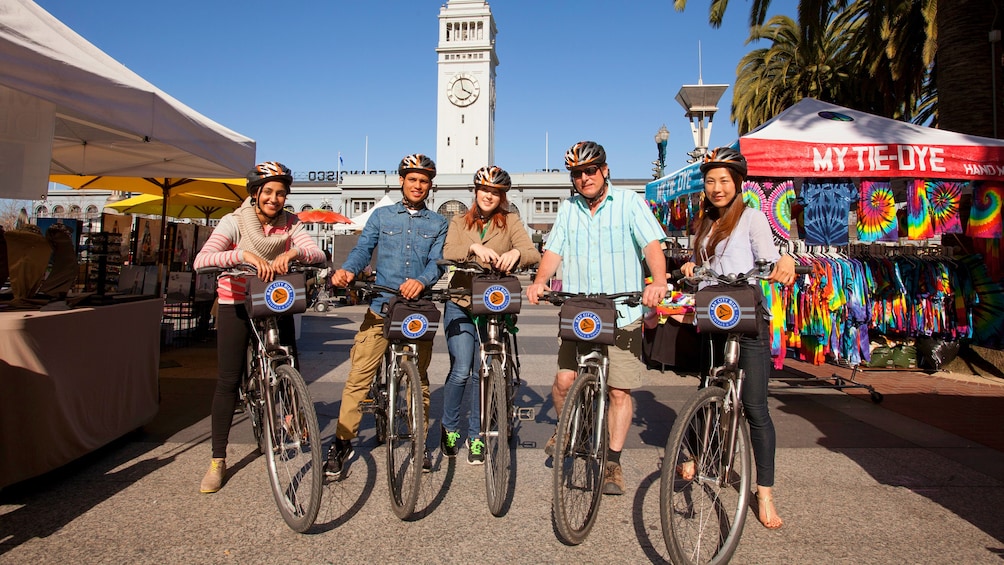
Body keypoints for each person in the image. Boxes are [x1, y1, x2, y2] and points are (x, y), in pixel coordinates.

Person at [526, 141, 668, 496]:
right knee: (563, 380)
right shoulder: (569, 210)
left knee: (619, 390)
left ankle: (612, 462)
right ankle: (572, 426)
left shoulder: (630, 202)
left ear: (605, 171)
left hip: (623, 311)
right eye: (578, 173)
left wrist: (660, 282)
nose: (585, 178)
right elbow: (554, 250)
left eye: (591, 170)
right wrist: (541, 281)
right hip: (579, 310)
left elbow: (652, 246)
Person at [678, 146, 796, 529]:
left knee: (756, 409)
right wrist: (691, 265)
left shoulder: (752, 218)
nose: (716, 188)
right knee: (706, 389)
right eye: (710, 181)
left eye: (724, 181)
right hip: (713, 315)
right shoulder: (704, 224)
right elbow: (702, 266)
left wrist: (785, 262)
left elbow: (772, 255)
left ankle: (764, 493)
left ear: (738, 184)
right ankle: (696, 452)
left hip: (747, 318)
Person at [193, 161, 325, 494]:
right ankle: (217, 460)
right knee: (227, 378)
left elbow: (317, 254)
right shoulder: (234, 221)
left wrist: (293, 251)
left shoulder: (291, 223)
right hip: (236, 301)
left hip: (274, 298)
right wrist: (244, 257)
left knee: (288, 357)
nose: (274, 199)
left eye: (281, 193)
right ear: (255, 194)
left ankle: (293, 416)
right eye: (268, 192)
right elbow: (201, 260)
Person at [325, 154, 449, 479]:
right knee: (358, 378)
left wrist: (421, 281)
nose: (418, 185)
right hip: (381, 306)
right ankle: (341, 441)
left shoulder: (438, 223)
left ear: (430, 186)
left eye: (424, 181)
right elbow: (362, 249)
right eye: (412, 179)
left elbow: (438, 262)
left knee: (418, 379)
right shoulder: (381, 216)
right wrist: (348, 272)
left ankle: (419, 442)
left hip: (414, 310)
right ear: (402, 182)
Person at [440, 166, 541, 464]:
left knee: (481, 373)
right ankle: (449, 428)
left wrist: (517, 254)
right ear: (476, 192)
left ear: (502, 196)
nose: (489, 195)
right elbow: (450, 250)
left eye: (495, 192)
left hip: (491, 304)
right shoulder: (459, 220)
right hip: (460, 300)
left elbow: (532, 251)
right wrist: (472, 247)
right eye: (484, 190)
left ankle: (476, 437)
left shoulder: (510, 221)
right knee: (461, 371)